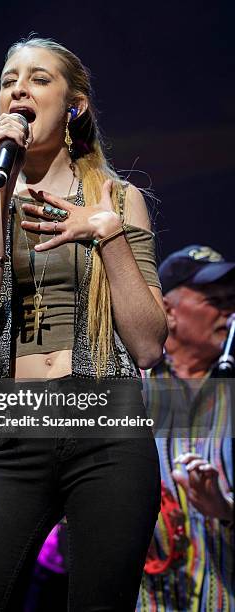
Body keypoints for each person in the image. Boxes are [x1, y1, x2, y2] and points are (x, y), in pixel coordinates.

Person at [0, 36, 168, 611]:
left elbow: (146, 345)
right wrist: (1, 187)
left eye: (39, 79)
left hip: (107, 421)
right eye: (9, 80)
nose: (18, 89)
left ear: (74, 105)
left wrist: (106, 232)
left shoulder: (117, 199)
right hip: (14, 424)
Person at [137, 245, 235, 611]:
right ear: (167, 311)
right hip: (146, 598)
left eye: (232, 300)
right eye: (215, 300)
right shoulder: (132, 384)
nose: (229, 312)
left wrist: (225, 507)